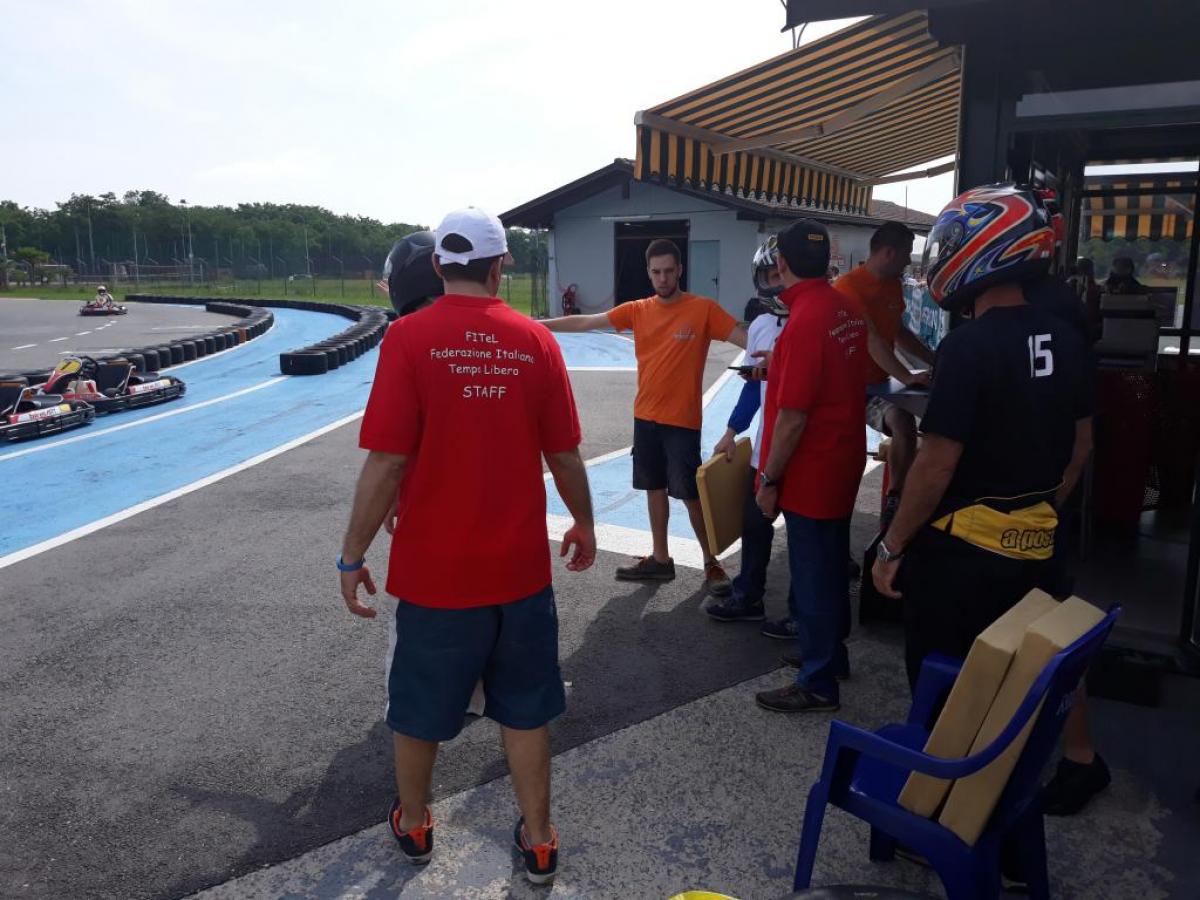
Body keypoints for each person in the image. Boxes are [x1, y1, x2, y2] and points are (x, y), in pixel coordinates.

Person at [338, 207, 596, 885]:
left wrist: (352, 554)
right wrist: (584, 521)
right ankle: (540, 840)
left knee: (418, 711)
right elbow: (565, 454)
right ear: (500, 265)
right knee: (526, 708)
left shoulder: (408, 339)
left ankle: (415, 824)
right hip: (519, 573)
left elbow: (387, 461)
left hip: (434, 577)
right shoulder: (535, 340)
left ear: (437, 265)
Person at [871, 182, 1094, 698]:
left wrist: (891, 545)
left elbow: (936, 464)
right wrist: (1033, 516)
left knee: (946, 694)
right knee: (1017, 690)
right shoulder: (1067, 338)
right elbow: (1081, 447)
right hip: (1040, 549)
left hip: (961, 562)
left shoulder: (967, 346)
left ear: (984, 247)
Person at [542, 239, 748, 595]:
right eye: (656, 272)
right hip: (645, 417)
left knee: (690, 494)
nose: (663, 278)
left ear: (680, 270)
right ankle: (660, 559)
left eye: (669, 271)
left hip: (682, 422)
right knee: (653, 488)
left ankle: (711, 562)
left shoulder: (703, 310)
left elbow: (745, 338)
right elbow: (588, 321)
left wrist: (776, 351)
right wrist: (537, 325)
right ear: (649, 273)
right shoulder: (638, 310)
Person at [752, 219, 868, 713]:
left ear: (781, 264)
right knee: (831, 567)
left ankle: (817, 681)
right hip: (843, 460)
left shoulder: (803, 321)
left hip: (811, 471)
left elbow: (793, 417)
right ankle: (830, 655)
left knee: (814, 577)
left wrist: (770, 478)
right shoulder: (846, 308)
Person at [706, 236, 789, 626]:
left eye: (783, 274)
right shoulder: (759, 326)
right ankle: (748, 596)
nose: (778, 282)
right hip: (768, 446)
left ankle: (803, 617)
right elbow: (754, 387)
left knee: (807, 539)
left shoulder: (812, 321)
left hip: (807, 450)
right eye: (771, 275)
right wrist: (731, 431)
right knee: (754, 524)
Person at [835, 222, 934, 529]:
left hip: (876, 387)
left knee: (904, 425)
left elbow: (899, 332)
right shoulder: (848, 288)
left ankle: (895, 497)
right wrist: (906, 376)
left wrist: (935, 359)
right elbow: (872, 340)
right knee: (843, 466)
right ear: (889, 253)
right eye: (906, 253)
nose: (908, 260)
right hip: (846, 390)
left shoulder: (892, 285)